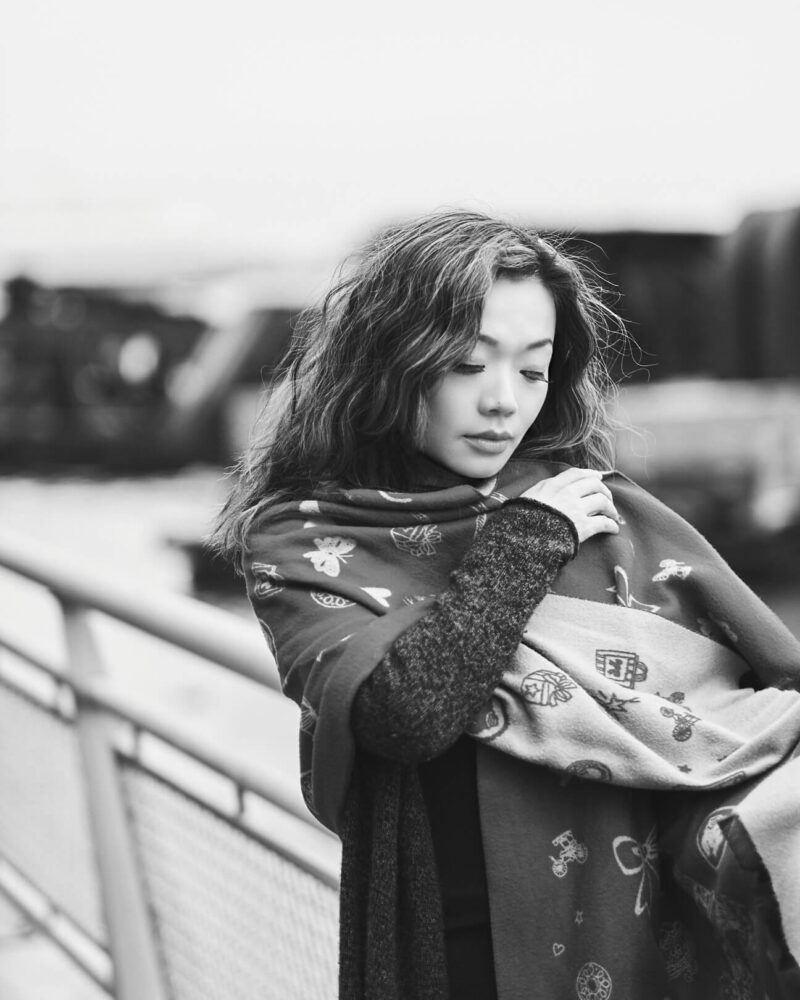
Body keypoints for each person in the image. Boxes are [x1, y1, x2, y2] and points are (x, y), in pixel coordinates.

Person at [213, 211, 800, 1000]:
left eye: (532, 371)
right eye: (467, 364)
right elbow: (408, 711)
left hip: (641, 943)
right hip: (456, 955)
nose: (503, 403)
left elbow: (756, 696)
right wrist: (527, 542)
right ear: (389, 360)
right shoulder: (303, 537)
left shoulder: (590, 507)